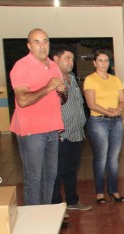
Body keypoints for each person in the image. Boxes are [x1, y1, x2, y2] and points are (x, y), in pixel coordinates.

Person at [10, 28, 66, 206]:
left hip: (52, 128)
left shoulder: (53, 65)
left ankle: (45, 214)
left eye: (45, 41)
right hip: (31, 131)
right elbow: (23, 100)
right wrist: (49, 87)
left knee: (50, 175)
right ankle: (33, 219)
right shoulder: (21, 66)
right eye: (37, 42)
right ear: (29, 46)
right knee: (34, 178)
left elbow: (61, 99)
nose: (42, 46)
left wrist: (63, 91)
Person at [84, 49, 124, 203]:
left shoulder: (115, 79)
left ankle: (114, 190)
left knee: (113, 158)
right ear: (94, 63)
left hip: (116, 121)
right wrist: (110, 113)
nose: (104, 63)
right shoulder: (90, 79)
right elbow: (91, 104)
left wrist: (119, 110)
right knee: (101, 158)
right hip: (98, 122)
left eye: (106, 60)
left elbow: (123, 100)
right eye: (100, 60)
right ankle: (100, 192)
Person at [51, 46, 91, 211]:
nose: (71, 62)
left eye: (72, 59)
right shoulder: (52, 80)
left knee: (72, 169)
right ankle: (57, 206)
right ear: (55, 59)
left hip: (76, 133)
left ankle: (72, 201)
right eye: (67, 58)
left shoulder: (72, 79)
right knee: (57, 172)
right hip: (60, 134)